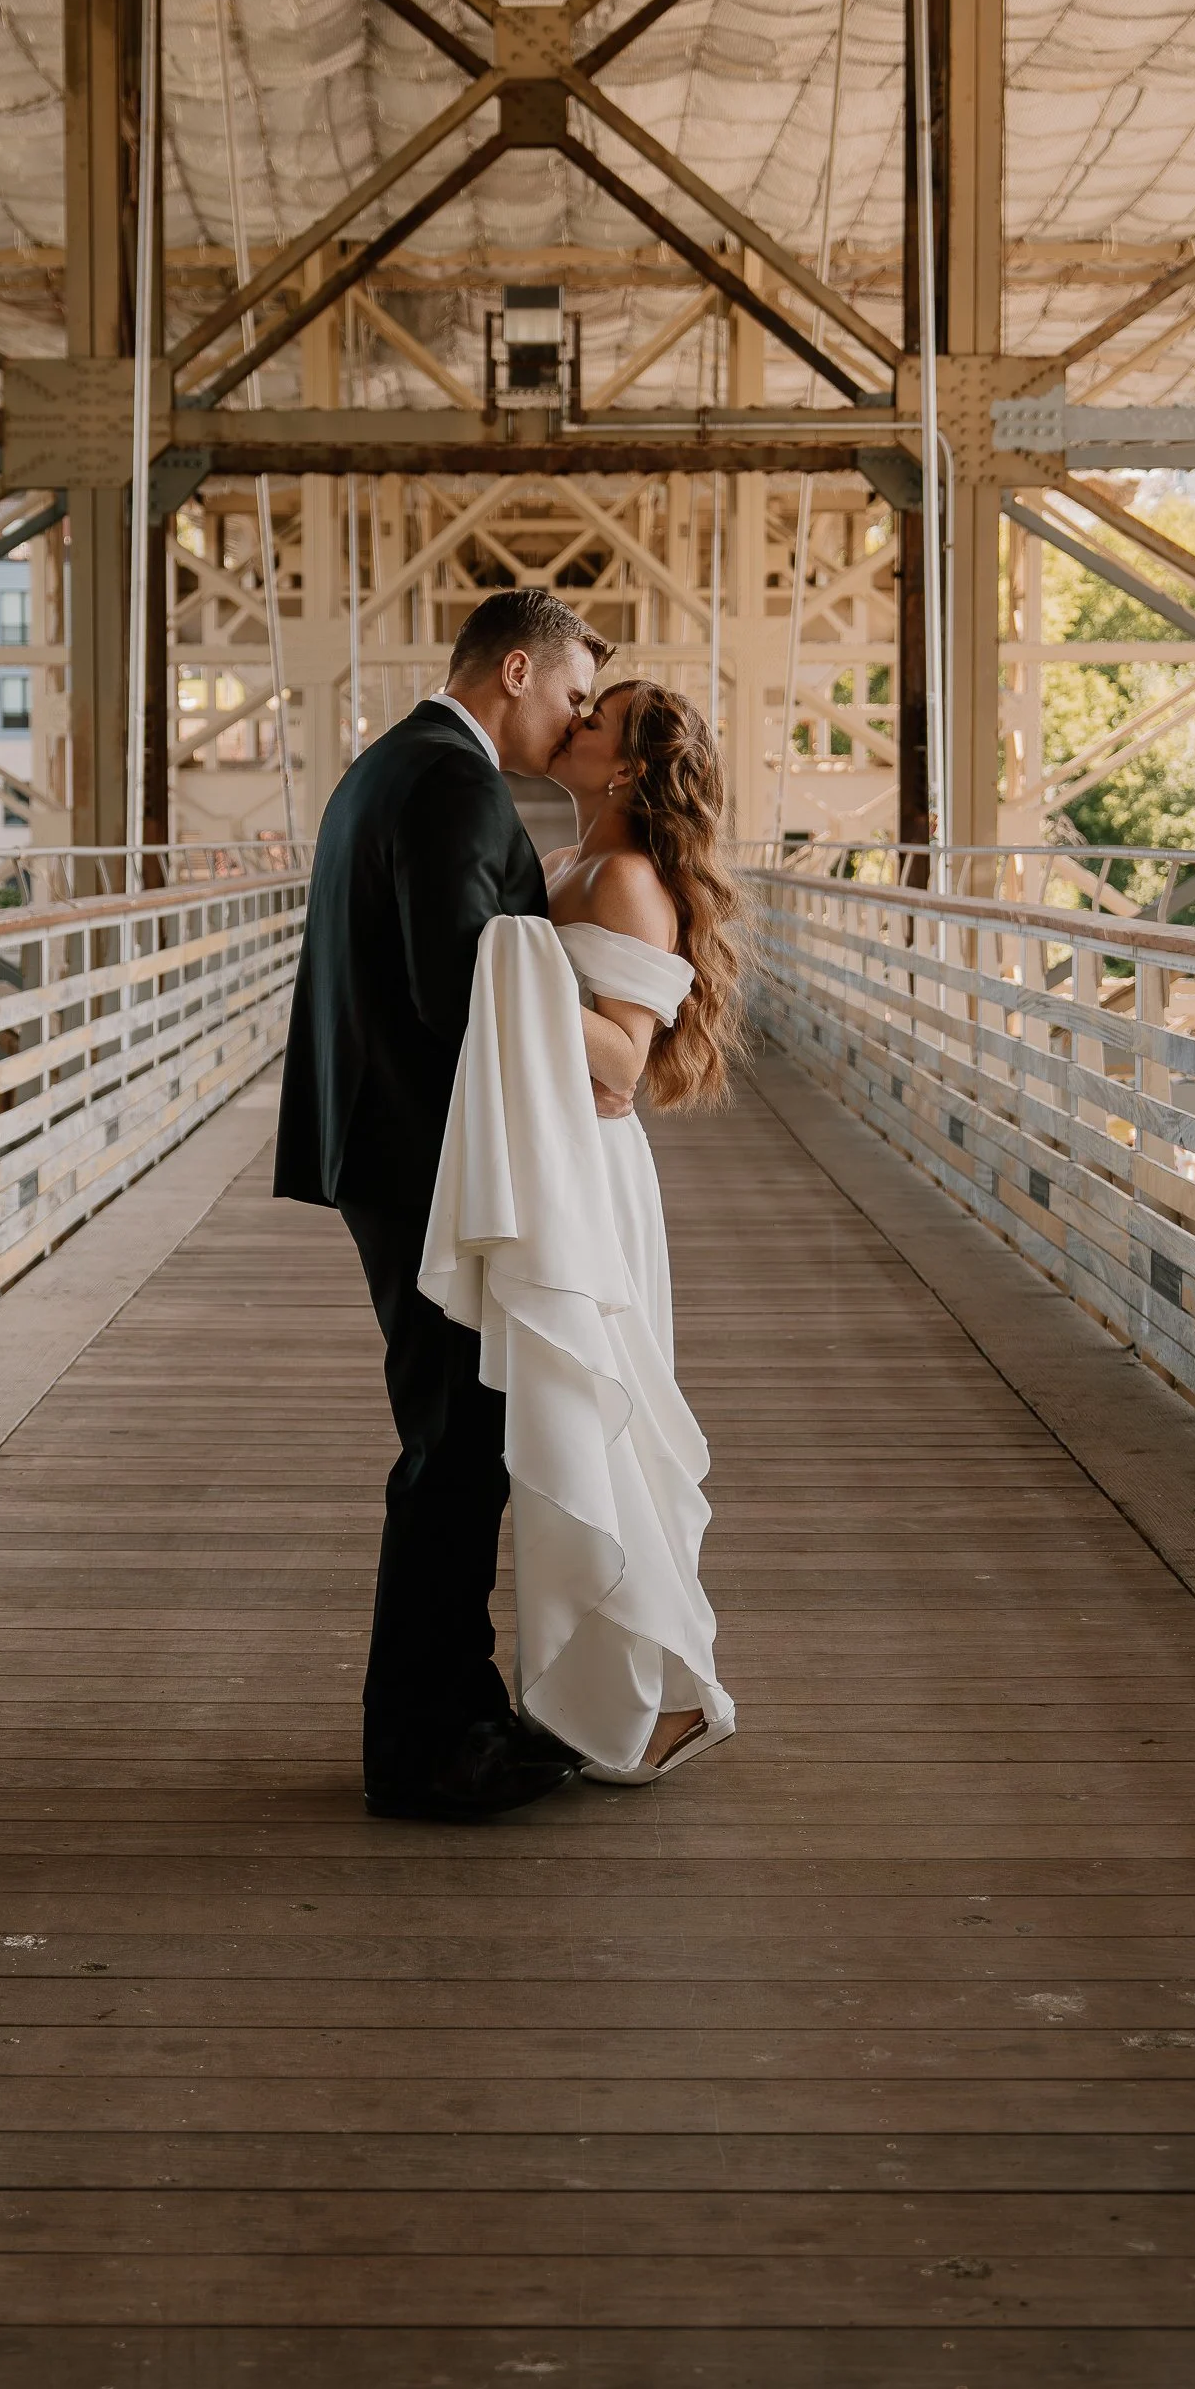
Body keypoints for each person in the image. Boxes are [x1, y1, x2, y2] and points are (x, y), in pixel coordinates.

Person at [275, 585, 610, 1823]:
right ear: (514, 670)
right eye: (572, 694)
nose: (576, 722)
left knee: (458, 1438)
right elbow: (460, 986)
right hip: (423, 1155)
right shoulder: (454, 782)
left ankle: (449, 1711)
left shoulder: (393, 764)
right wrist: (599, 1063)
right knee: (456, 1448)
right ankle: (426, 1749)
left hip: (384, 1142)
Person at [422, 679, 741, 1784]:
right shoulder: (560, 864)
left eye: (592, 719)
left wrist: (513, 973)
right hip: (545, 1162)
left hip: (590, 1177)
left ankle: (655, 1697)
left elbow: (629, 1068)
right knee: (558, 1431)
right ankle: (592, 1691)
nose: (571, 721)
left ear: (626, 770)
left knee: (598, 1430)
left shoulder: (631, 879)